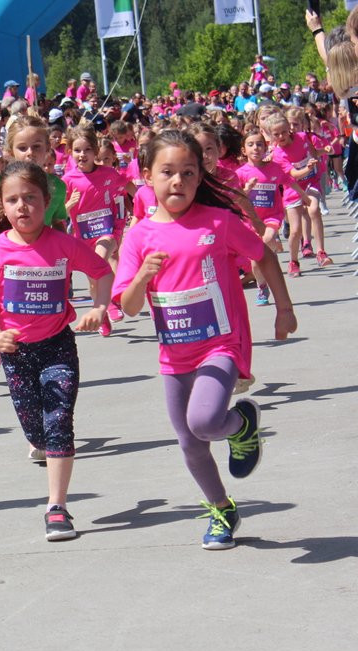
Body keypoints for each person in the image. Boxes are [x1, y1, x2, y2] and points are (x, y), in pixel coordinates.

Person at [113, 130, 296, 550]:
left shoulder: (219, 222)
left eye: (188, 173)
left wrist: (284, 308)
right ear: (146, 177)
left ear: (200, 178)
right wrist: (142, 275)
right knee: (190, 443)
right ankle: (222, 509)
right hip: (174, 351)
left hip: (221, 342)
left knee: (205, 421)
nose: (177, 181)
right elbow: (130, 305)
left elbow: (263, 254)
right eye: (167, 172)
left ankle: (241, 422)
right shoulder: (139, 237)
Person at [0, 162, 113, 540]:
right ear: (2, 206)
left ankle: (57, 507)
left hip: (57, 347)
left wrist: (99, 308)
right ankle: (39, 445)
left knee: (59, 421)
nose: (22, 207)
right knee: (36, 430)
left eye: (30, 198)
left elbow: (102, 272)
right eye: (13, 200)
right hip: (15, 354)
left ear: (47, 202)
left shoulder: (63, 244)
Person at [61, 125, 135, 333]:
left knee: (100, 260)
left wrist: (148, 205)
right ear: (70, 153)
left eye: (87, 150)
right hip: (82, 237)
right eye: (77, 150)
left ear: (95, 152)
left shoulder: (108, 173)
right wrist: (69, 206)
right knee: (93, 282)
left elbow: (131, 190)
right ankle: (100, 313)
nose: (82, 155)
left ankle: (110, 303)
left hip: (107, 231)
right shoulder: (68, 181)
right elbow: (59, 214)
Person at [235, 129, 307, 306]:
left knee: (265, 239)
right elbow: (237, 198)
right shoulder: (241, 173)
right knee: (254, 261)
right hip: (251, 220)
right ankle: (262, 286)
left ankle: (272, 243)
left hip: (272, 217)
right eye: (250, 144)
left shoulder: (274, 168)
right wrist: (248, 189)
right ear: (244, 150)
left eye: (259, 144)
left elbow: (289, 182)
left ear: (266, 147)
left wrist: (303, 196)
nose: (256, 148)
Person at [263, 112, 328, 275]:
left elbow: (312, 151)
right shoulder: (278, 154)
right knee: (295, 230)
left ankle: (321, 252)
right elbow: (294, 175)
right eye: (276, 134)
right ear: (271, 136)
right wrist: (308, 167)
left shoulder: (302, 137)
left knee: (314, 210)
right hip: (292, 189)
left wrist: (318, 157)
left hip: (311, 183)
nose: (281, 136)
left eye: (284, 131)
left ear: (289, 129)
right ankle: (293, 261)